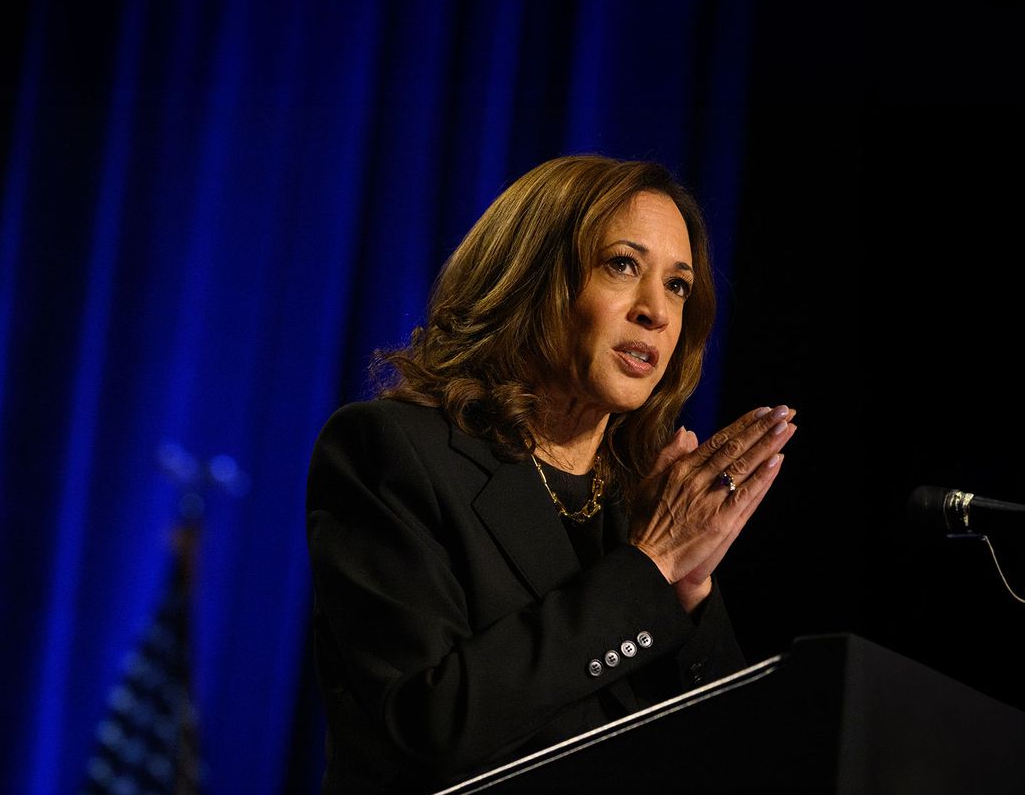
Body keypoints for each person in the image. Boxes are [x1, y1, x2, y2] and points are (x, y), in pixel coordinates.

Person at [305, 155, 797, 793]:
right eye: (623, 265)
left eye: (678, 285)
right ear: (533, 277)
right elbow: (426, 728)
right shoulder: (392, 451)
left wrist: (688, 591)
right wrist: (647, 573)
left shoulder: (640, 501)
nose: (657, 311)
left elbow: (736, 758)